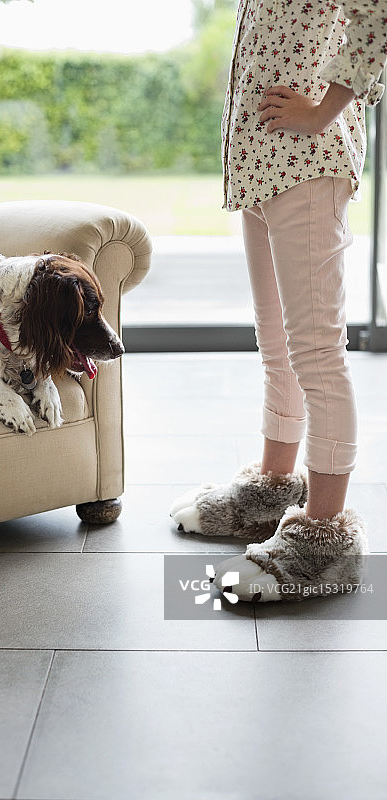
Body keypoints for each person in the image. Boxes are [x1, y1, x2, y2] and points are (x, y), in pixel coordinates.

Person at [171, 0, 387, 602]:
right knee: (277, 345)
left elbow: (376, 19)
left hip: (306, 164)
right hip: (259, 165)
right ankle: (272, 486)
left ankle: (323, 536)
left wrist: (323, 111)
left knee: (317, 353)